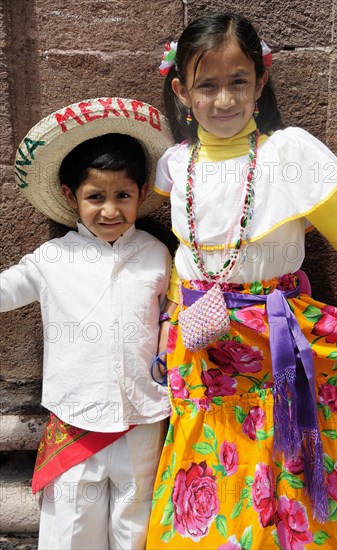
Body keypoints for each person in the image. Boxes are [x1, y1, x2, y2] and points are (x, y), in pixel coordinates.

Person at [146, 13, 337, 550]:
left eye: (238, 82)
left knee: (280, 450)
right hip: (202, 347)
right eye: (207, 85)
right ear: (181, 91)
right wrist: (169, 322)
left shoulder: (288, 155)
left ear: (260, 82)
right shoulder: (176, 166)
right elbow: (187, 259)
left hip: (275, 341)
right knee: (217, 460)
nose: (224, 100)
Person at [1, 97, 174, 549]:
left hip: (143, 418)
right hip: (77, 420)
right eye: (95, 197)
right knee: (71, 529)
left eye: (123, 196)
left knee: (136, 528)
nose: (110, 210)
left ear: (141, 193)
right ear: (69, 195)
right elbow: (7, 290)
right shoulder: (52, 258)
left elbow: (175, 315)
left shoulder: (157, 256)